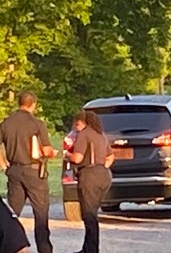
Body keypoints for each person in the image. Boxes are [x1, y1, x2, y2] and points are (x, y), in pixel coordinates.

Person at [0, 91, 55, 253]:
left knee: (12, 213)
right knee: (41, 214)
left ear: (19, 103)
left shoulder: (6, 123)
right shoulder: (37, 124)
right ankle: (44, 249)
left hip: (14, 171)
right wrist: (52, 153)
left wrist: (4, 165)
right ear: (34, 105)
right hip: (34, 172)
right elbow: (46, 150)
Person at [65, 111, 114, 253]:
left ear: (85, 122)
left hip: (89, 175)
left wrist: (66, 154)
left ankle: (92, 249)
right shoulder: (101, 135)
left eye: (78, 123)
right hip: (104, 176)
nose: (76, 126)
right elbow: (110, 157)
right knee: (92, 211)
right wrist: (102, 167)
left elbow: (77, 158)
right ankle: (87, 248)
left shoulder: (84, 134)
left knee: (89, 215)